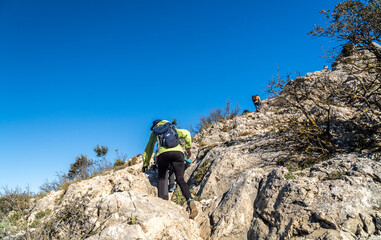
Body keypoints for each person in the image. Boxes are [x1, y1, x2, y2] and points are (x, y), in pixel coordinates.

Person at [142, 119, 198, 219]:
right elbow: (187, 134)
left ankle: (163, 205)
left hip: (163, 155)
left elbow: (149, 148)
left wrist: (145, 163)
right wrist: (188, 149)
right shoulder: (172, 128)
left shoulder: (155, 132)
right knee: (180, 179)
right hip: (178, 153)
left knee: (162, 178)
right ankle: (190, 201)